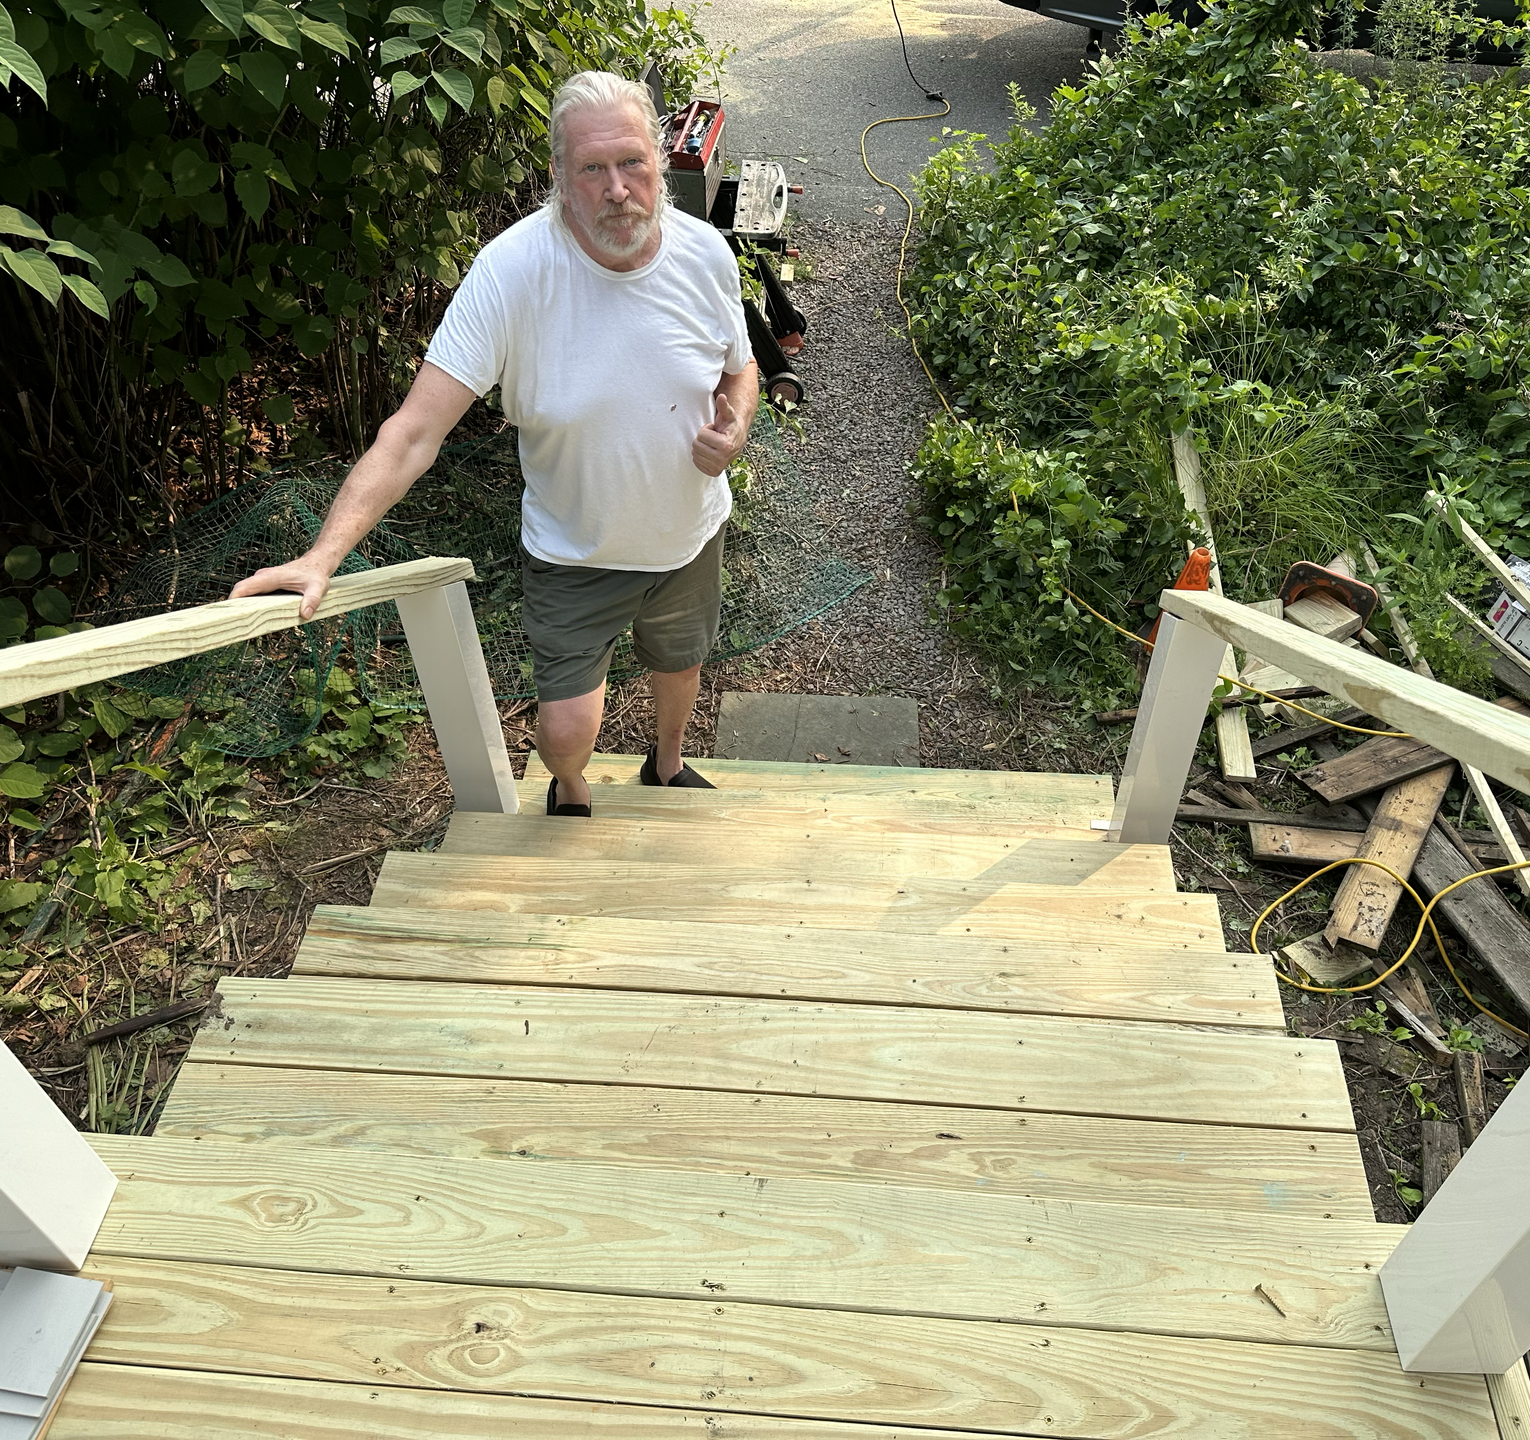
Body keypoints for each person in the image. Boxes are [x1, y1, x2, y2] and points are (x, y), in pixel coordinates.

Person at [231, 70, 758, 816]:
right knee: (568, 731)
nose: (617, 189)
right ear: (559, 177)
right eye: (592, 168)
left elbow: (741, 369)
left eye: (632, 162)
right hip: (577, 552)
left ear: (661, 160)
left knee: (682, 664)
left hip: (689, 536)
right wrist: (322, 558)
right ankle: (570, 786)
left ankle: (666, 763)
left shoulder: (704, 255)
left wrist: (733, 428)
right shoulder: (512, 275)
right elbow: (413, 433)